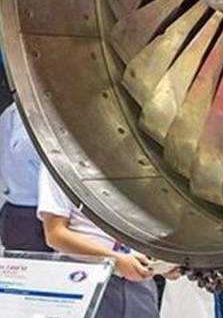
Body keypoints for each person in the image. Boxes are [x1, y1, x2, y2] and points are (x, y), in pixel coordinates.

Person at [38, 167, 161, 318]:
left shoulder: (141, 164)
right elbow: (55, 234)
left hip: (139, 279)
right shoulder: (60, 162)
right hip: (85, 278)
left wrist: (164, 260)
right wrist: (114, 260)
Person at [0, 102, 51, 253]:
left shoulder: (14, 111)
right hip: (29, 212)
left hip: (24, 210)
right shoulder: (29, 110)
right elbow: (22, 148)